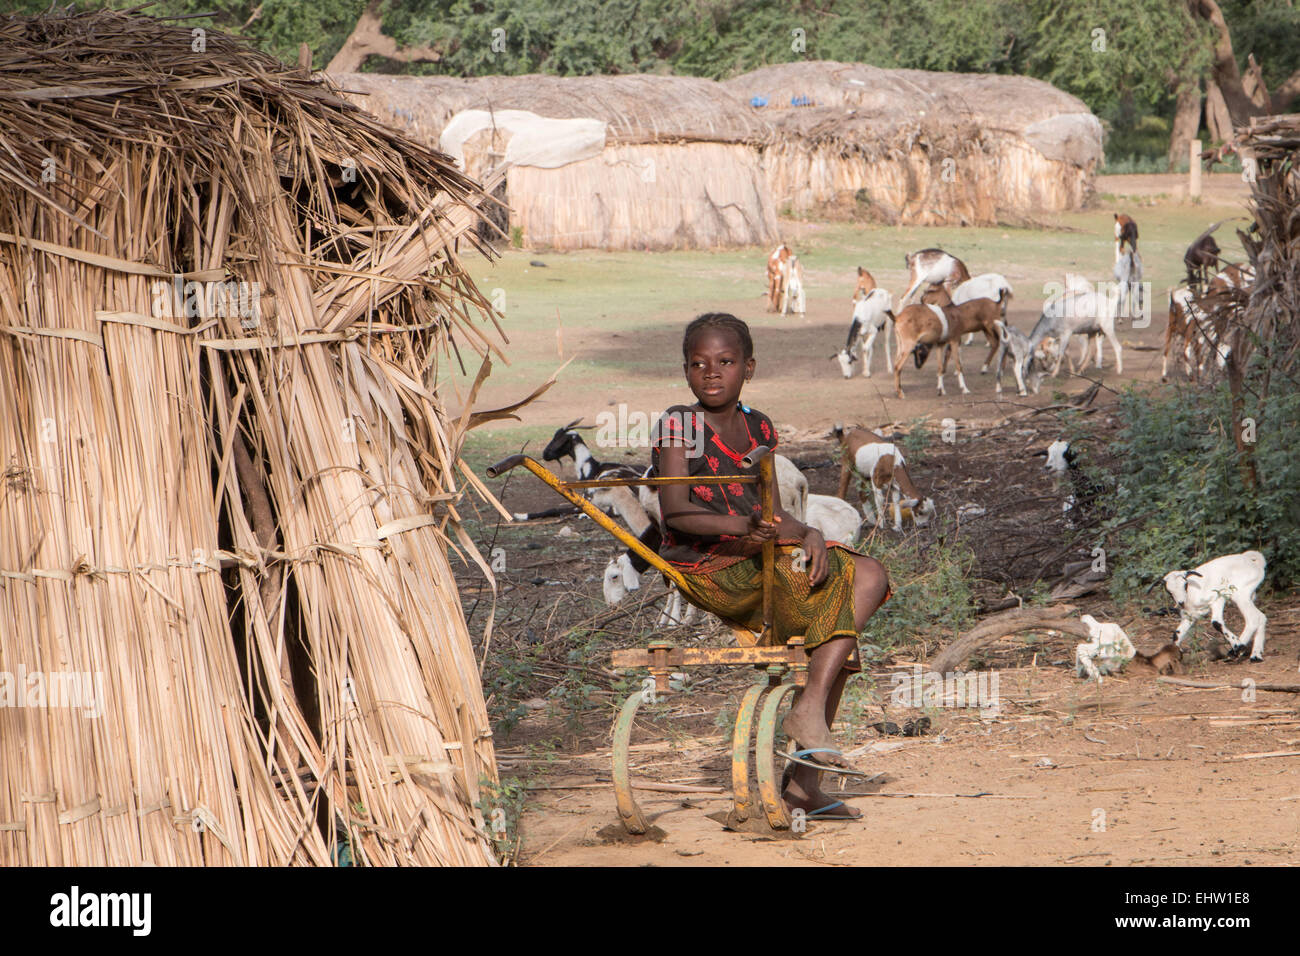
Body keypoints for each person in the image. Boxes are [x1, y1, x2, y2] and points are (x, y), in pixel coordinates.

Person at [650, 313, 891, 821]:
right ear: (685, 371)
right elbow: (675, 512)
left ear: (749, 368)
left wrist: (807, 533)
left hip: (761, 555)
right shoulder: (679, 424)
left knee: (868, 576)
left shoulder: (759, 426)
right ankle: (805, 771)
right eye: (698, 364)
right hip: (708, 566)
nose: (711, 372)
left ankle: (806, 754)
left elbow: (774, 513)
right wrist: (742, 528)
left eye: (725, 361)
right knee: (831, 618)